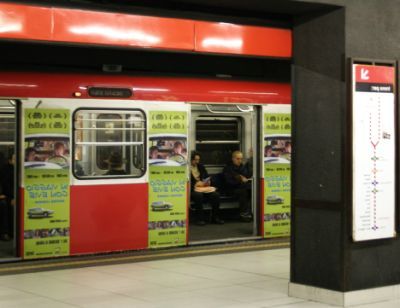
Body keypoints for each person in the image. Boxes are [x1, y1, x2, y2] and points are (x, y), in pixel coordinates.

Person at [190, 151, 224, 226]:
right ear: (191, 160)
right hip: (193, 189)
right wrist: (195, 183)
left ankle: (215, 217)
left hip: (203, 187)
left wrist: (207, 182)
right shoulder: (187, 168)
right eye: (195, 160)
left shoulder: (201, 167)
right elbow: (187, 181)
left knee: (216, 195)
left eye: (198, 160)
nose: (197, 162)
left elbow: (206, 176)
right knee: (198, 196)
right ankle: (200, 219)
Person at [223, 150, 252, 222]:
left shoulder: (243, 167)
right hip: (232, 189)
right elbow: (228, 182)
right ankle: (244, 213)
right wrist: (239, 180)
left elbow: (248, 175)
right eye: (238, 159)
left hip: (243, 188)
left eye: (241, 159)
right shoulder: (228, 168)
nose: (240, 161)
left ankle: (250, 212)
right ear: (233, 158)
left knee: (252, 190)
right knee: (244, 192)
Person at [0, 151, 15, 241]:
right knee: (5, 206)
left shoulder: (17, 168)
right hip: (7, 194)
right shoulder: (5, 169)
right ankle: (6, 232)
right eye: (14, 159)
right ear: (9, 160)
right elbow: (6, 185)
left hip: (9, 194)